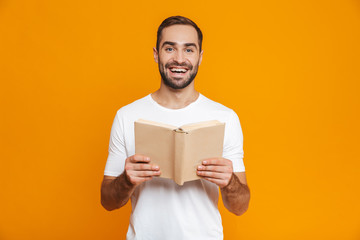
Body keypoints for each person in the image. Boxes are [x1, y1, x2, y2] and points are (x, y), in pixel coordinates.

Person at [101, 16, 250, 240]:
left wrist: (230, 182)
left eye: (189, 50)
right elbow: (107, 201)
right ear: (156, 54)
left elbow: (240, 206)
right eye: (169, 48)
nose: (179, 59)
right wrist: (126, 179)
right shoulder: (126, 116)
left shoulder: (225, 118)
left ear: (200, 57)